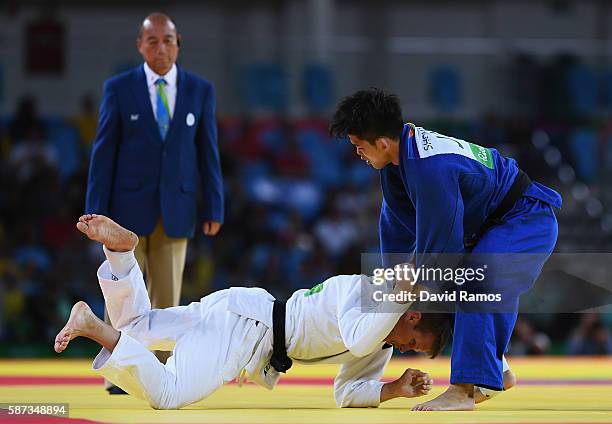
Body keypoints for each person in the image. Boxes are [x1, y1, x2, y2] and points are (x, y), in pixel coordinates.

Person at [54, 214, 451, 410]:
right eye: (413, 343)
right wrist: (400, 293)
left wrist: (394, 389)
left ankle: (121, 253)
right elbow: (357, 338)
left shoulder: (379, 338)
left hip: (242, 313)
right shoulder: (362, 291)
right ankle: (92, 325)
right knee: (168, 394)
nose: (404, 350)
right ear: (413, 315)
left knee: (137, 327)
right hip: (246, 330)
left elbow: (345, 394)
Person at [329, 88, 561, 411]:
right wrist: (396, 287)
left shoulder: (429, 168)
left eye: (359, 146)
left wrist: (414, 288)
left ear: (381, 143)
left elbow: (444, 254)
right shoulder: (399, 163)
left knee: (469, 279)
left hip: (526, 219)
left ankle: (464, 389)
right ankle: (499, 371)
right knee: (447, 281)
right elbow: (396, 230)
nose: (359, 155)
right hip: (494, 228)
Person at [84, 12, 223, 384]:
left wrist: (214, 206)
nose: (161, 48)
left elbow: (208, 152)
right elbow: (103, 151)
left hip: (177, 208)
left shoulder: (199, 90)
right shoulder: (119, 87)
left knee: (167, 300)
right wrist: (95, 211)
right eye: (152, 41)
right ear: (139, 46)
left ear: (178, 44)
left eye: (167, 40)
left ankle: (160, 374)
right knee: (121, 296)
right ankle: (118, 376)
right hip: (124, 212)